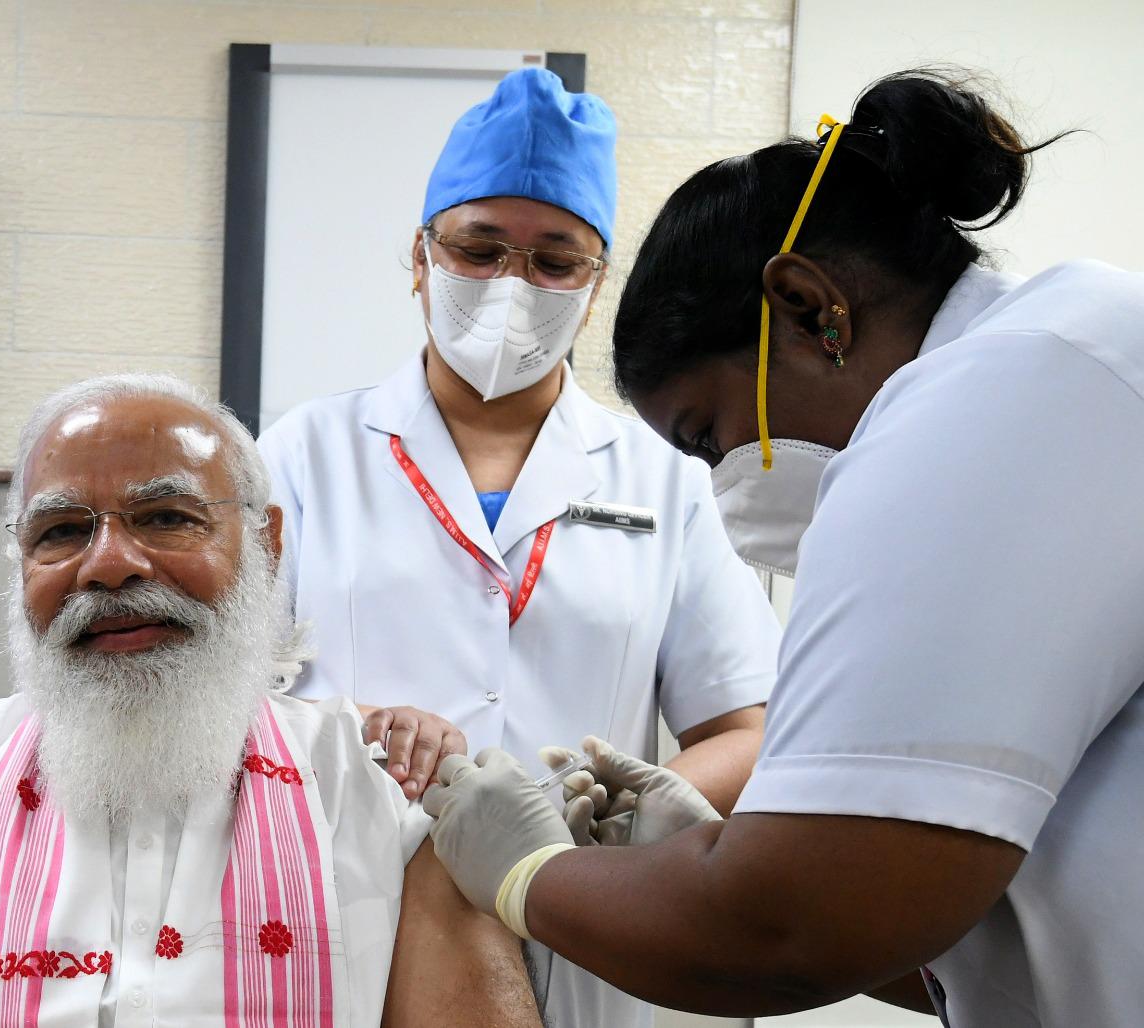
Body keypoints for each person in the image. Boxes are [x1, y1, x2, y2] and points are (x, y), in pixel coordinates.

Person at [420, 69, 1144, 1027]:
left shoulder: (986, 406)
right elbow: (933, 914)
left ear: (810, 309)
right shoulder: (1071, 351)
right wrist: (705, 850)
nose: (725, 486)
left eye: (711, 437)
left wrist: (528, 873)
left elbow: (787, 935)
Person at [256, 67, 782, 1028]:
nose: (513, 285)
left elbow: (742, 730)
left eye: (554, 261)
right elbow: (228, 703)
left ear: (595, 284)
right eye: (480, 247)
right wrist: (358, 732)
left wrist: (625, 811)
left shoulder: (662, 476)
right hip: (353, 901)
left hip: (597, 915)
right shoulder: (302, 455)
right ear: (419, 257)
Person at [0, 374, 542, 1028]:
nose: (108, 564)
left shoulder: (386, 788)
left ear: (267, 546)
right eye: (62, 531)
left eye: (165, 517)